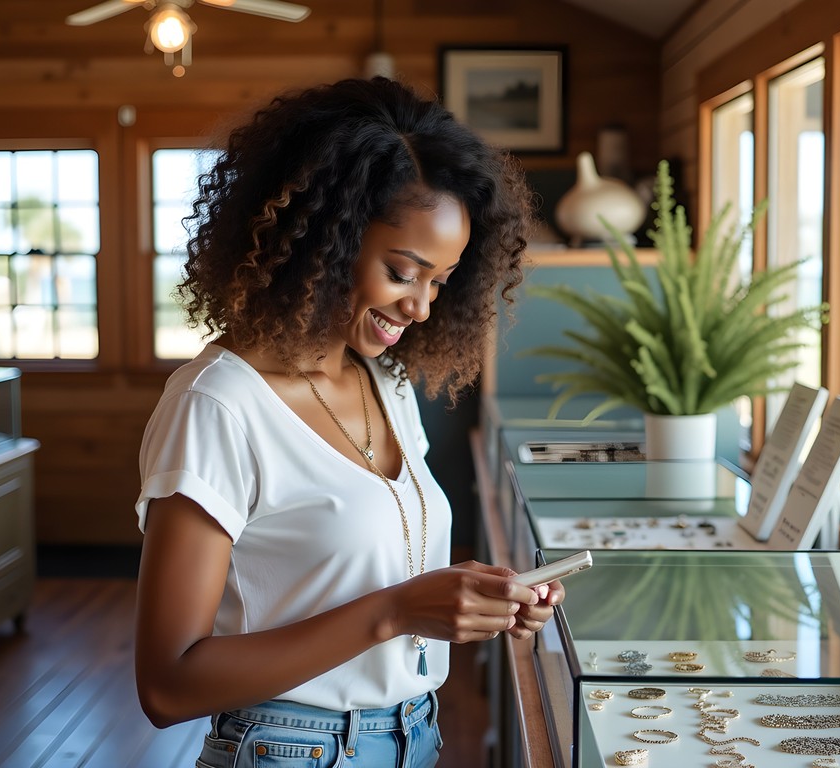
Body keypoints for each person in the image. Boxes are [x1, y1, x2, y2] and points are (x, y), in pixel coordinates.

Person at [134, 76, 565, 768]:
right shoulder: (216, 406)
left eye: (441, 281)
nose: (421, 307)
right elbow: (167, 683)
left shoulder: (383, 381)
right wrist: (397, 612)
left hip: (412, 736)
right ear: (323, 240)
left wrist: (470, 595)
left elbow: (353, 571)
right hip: (287, 750)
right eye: (403, 272)